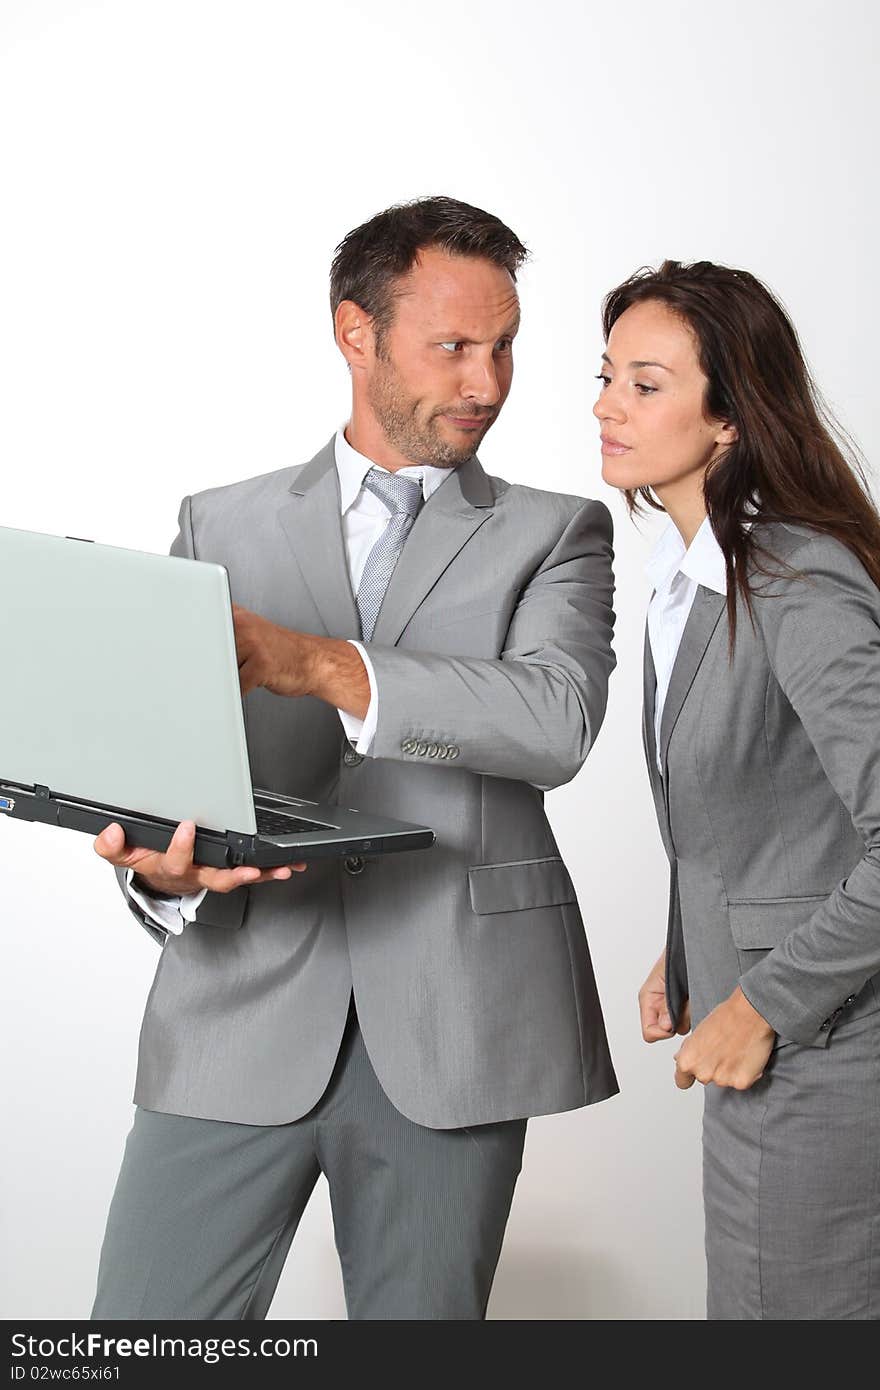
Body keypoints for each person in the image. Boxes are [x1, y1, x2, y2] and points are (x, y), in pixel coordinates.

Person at [90, 196, 618, 1321]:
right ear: (355, 334)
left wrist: (321, 665)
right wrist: (160, 866)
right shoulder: (217, 522)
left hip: (455, 1026)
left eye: (506, 344)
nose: (487, 381)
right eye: (454, 346)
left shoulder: (557, 531)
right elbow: (166, 760)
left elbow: (556, 720)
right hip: (233, 1007)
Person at [595, 258, 880, 1320]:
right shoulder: (697, 575)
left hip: (825, 1056)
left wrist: (760, 998)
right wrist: (694, 932)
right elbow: (771, 803)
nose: (605, 405)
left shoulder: (795, 579)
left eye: (646, 383)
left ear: (727, 421)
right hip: (767, 1043)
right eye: (608, 375)